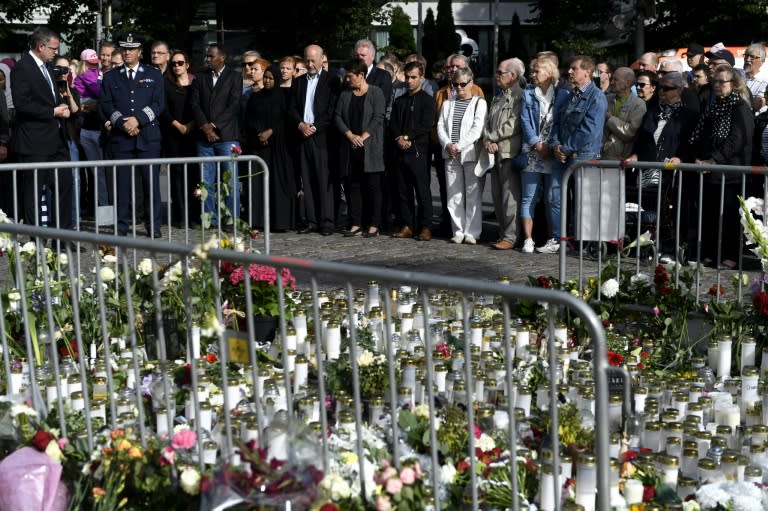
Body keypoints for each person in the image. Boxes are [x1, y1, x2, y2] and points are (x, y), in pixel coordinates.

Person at [100, 32, 165, 238]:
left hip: (148, 137)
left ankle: (153, 226)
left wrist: (138, 120)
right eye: (124, 49)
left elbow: (158, 103)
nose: (128, 52)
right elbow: (106, 104)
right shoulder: (111, 76)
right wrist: (122, 122)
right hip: (122, 138)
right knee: (121, 185)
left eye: (132, 49)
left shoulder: (154, 74)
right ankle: (121, 226)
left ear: (139, 51)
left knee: (151, 185)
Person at [627, 71, 698, 256]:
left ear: (679, 90)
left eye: (667, 88)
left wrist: (681, 158)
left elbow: (689, 142)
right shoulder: (653, 112)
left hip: (670, 170)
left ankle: (670, 245)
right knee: (647, 204)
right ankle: (643, 242)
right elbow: (642, 138)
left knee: (668, 208)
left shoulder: (688, 115)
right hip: (649, 166)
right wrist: (635, 154)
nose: (662, 91)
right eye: (660, 87)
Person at [691, 65, 753, 270]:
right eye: (715, 81)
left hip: (731, 172)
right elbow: (704, 136)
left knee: (729, 217)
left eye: (722, 82)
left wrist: (714, 160)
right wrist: (701, 158)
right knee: (709, 215)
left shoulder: (740, 108)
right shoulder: (715, 106)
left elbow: (737, 140)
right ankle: (711, 253)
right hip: (711, 172)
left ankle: (730, 256)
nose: (717, 85)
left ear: (734, 85)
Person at [11, 26, 73, 230]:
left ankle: (63, 236)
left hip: (56, 139)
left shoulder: (46, 66)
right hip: (34, 142)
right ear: (40, 46)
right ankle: (35, 238)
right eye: (54, 48)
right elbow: (22, 104)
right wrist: (52, 112)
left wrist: (60, 106)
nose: (56, 52)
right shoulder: (22, 68)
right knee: (34, 192)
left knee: (64, 186)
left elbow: (50, 98)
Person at [548, 55, 608, 254]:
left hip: (583, 155)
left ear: (587, 72)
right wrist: (556, 144)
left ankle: (583, 243)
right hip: (562, 154)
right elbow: (556, 122)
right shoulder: (567, 95)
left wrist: (565, 148)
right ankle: (559, 238)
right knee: (554, 196)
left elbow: (589, 129)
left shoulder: (597, 97)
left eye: (574, 69)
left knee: (583, 201)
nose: (569, 72)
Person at [288, 44, 340, 236]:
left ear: (321, 59)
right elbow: (292, 108)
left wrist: (316, 127)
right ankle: (312, 220)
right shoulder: (299, 82)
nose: (309, 64)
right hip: (303, 135)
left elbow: (332, 110)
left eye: (312, 60)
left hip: (322, 137)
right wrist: (301, 125)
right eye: (307, 60)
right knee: (307, 179)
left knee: (323, 180)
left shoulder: (331, 80)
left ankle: (327, 221)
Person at [189, 43, 243, 231]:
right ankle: (209, 218)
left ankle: (230, 219)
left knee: (231, 182)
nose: (208, 59)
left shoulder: (235, 77)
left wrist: (214, 126)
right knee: (206, 181)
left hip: (227, 136)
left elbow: (234, 105)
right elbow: (194, 104)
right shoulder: (200, 77)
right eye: (207, 56)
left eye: (211, 56)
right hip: (204, 138)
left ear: (222, 57)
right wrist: (205, 127)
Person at [432, 53, 484, 236]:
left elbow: (477, 129)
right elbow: (440, 126)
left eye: (463, 84)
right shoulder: (447, 103)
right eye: (455, 84)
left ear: (471, 83)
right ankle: (458, 231)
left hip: (468, 153)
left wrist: (459, 145)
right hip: (450, 154)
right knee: (454, 195)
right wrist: (448, 145)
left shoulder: (479, 102)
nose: (459, 87)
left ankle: (472, 232)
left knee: (472, 194)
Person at [519, 58, 568, 254]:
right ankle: (528, 239)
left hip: (553, 152)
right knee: (528, 197)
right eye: (532, 71)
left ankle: (552, 238)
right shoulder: (528, 93)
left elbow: (564, 121)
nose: (532, 74)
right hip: (533, 151)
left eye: (536, 71)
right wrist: (537, 144)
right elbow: (525, 120)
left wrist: (552, 146)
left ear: (549, 73)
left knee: (552, 198)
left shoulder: (561, 94)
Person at [334, 57, 386, 238]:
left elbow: (378, 117)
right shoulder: (345, 94)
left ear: (361, 75)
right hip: (351, 148)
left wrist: (363, 137)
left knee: (373, 187)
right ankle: (355, 222)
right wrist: (350, 135)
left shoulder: (375, 92)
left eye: (350, 76)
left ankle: (374, 224)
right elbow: (338, 117)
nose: (347, 80)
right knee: (352, 186)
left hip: (370, 148)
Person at [244, 63, 296, 231]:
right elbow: (249, 119)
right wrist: (259, 133)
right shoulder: (255, 97)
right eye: (265, 77)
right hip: (259, 146)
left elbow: (286, 120)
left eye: (270, 78)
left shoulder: (283, 97)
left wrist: (271, 132)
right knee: (258, 183)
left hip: (278, 148)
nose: (267, 81)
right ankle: (257, 220)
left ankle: (279, 222)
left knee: (276, 183)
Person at [390, 60, 436, 242]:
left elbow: (425, 125)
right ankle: (407, 224)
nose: (409, 81)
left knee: (422, 191)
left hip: (419, 152)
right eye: (407, 77)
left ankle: (425, 227)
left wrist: (408, 138)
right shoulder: (399, 100)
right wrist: (398, 138)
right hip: (400, 151)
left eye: (413, 77)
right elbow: (392, 124)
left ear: (421, 78)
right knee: (403, 191)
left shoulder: (427, 100)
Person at [483, 58, 525, 251]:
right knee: (497, 195)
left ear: (513, 76)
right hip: (494, 151)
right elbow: (488, 121)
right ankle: (502, 233)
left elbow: (513, 124)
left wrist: (492, 137)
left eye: (500, 73)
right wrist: (487, 139)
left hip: (509, 151)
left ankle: (511, 236)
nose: (496, 76)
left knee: (510, 196)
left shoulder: (519, 96)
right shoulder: (499, 96)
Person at [161, 49, 198, 228]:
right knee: (176, 175)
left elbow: (200, 106)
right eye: (174, 63)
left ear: (187, 64)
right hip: (173, 134)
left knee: (192, 175)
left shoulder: (196, 83)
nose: (177, 66)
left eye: (180, 63)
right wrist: (178, 125)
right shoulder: (166, 84)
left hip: (192, 134)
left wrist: (190, 125)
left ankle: (193, 214)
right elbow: (164, 109)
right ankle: (180, 215)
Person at [74, 48, 110, 216]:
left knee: (98, 173)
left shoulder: (92, 73)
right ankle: (104, 210)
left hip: (91, 127)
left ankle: (101, 209)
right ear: (85, 62)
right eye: (92, 62)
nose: (95, 64)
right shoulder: (88, 74)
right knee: (100, 173)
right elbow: (99, 92)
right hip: (91, 128)